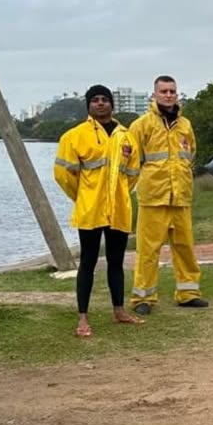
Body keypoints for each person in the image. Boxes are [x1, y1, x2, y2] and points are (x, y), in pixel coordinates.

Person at [53, 84, 143, 337]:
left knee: (116, 261)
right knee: (88, 262)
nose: (101, 103)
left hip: (119, 208)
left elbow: (133, 173)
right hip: (90, 208)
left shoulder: (126, 136)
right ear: (89, 105)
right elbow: (63, 174)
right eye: (95, 100)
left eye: (105, 99)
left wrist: (121, 194)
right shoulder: (75, 136)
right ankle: (83, 317)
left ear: (112, 104)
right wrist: (82, 195)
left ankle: (119, 310)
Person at [129, 75, 208, 313]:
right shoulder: (141, 125)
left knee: (185, 248)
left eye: (172, 91)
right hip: (153, 198)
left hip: (181, 197)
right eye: (163, 91)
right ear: (154, 94)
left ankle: (188, 293)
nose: (169, 95)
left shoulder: (185, 125)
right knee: (148, 251)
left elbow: (190, 155)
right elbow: (131, 160)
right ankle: (143, 298)